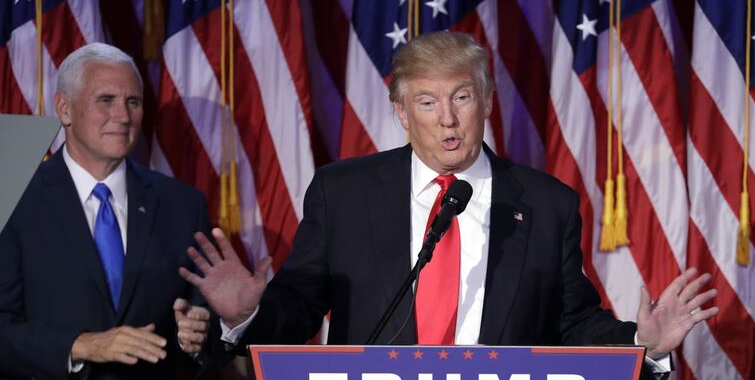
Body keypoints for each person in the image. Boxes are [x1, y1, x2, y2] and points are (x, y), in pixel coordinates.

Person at [181, 32, 717, 373]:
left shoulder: (548, 203)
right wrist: (249, 314)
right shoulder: (342, 193)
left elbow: (569, 323)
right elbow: (299, 307)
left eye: (461, 97)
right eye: (427, 101)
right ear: (400, 112)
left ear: (485, 100)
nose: (447, 118)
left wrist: (643, 345)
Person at [0, 43, 212, 379]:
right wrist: (80, 345)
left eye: (133, 102)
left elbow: (203, 317)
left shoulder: (183, 205)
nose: (124, 116)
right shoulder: (12, 197)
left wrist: (199, 333)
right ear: (64, 109)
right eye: (106, 100)